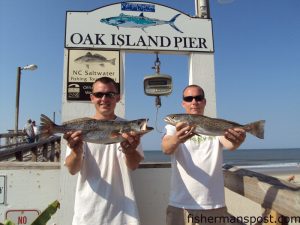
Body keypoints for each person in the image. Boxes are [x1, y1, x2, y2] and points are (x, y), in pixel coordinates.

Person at [64, 77, 144, 225]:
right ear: (92, 98)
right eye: (99, 94)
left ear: (118, 97)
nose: (104, 99)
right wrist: (76, 151)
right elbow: (72, 170)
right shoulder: (79, 129)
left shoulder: (129, 129)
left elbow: (133, 166)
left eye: (110, 94)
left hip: (124, 215)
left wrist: (130, 151)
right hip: (88, 213)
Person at [161, 84, 246, 225]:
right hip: (180, 203)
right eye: (189, 98)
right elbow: (166, 148)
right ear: (183, 103)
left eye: (198, 98)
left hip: (213, 204)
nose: (194, 102)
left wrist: (239, 139)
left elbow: (231, 145)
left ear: (204, 102)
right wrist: (177, 138)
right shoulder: (172, 127)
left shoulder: (214, 125)